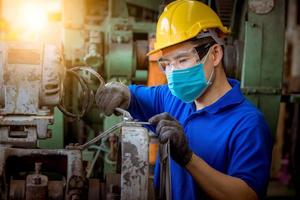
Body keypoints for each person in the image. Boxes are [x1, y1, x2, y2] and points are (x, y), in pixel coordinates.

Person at [95, 0, 272, 199]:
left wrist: (188, 159)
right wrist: (119, 91)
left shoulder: (247, 124)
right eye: (167, 64)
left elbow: (247, 195)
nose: (173, 72)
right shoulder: (173, 99)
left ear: (215, 54)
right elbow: (133, 97)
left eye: (182, 60)